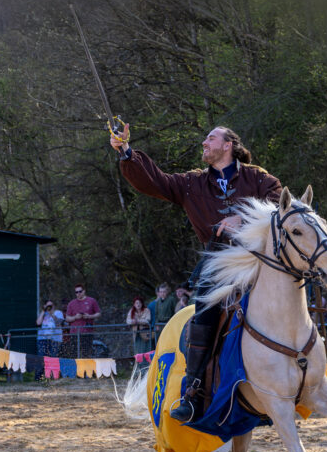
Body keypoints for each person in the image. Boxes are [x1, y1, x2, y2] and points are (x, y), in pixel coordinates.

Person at [112, 123, 281, 422]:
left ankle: (299, 374)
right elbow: (157, 182)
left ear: (228, 144)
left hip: (257, 258)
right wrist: (126, 152)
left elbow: (281, 204)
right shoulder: (192, 183)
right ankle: (192, 392)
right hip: (219, 262)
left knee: (290, 291)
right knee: (204, 309)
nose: (204, 142)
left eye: (211, 138)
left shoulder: (257, 177)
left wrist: (243, 219)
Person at [65, 284, 101, 357]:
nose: (78, 294)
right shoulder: (71, 303)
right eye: (76, 292)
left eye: (80, 291)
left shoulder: (92, 301)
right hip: (74, 333)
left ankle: (86, 368)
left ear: (84, 291)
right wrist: (75, 317)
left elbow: (98, 313)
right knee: (74, 354)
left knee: (87, 354)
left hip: (87, 332)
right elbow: (67, 318)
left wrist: (89, 316)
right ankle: (75, 368)